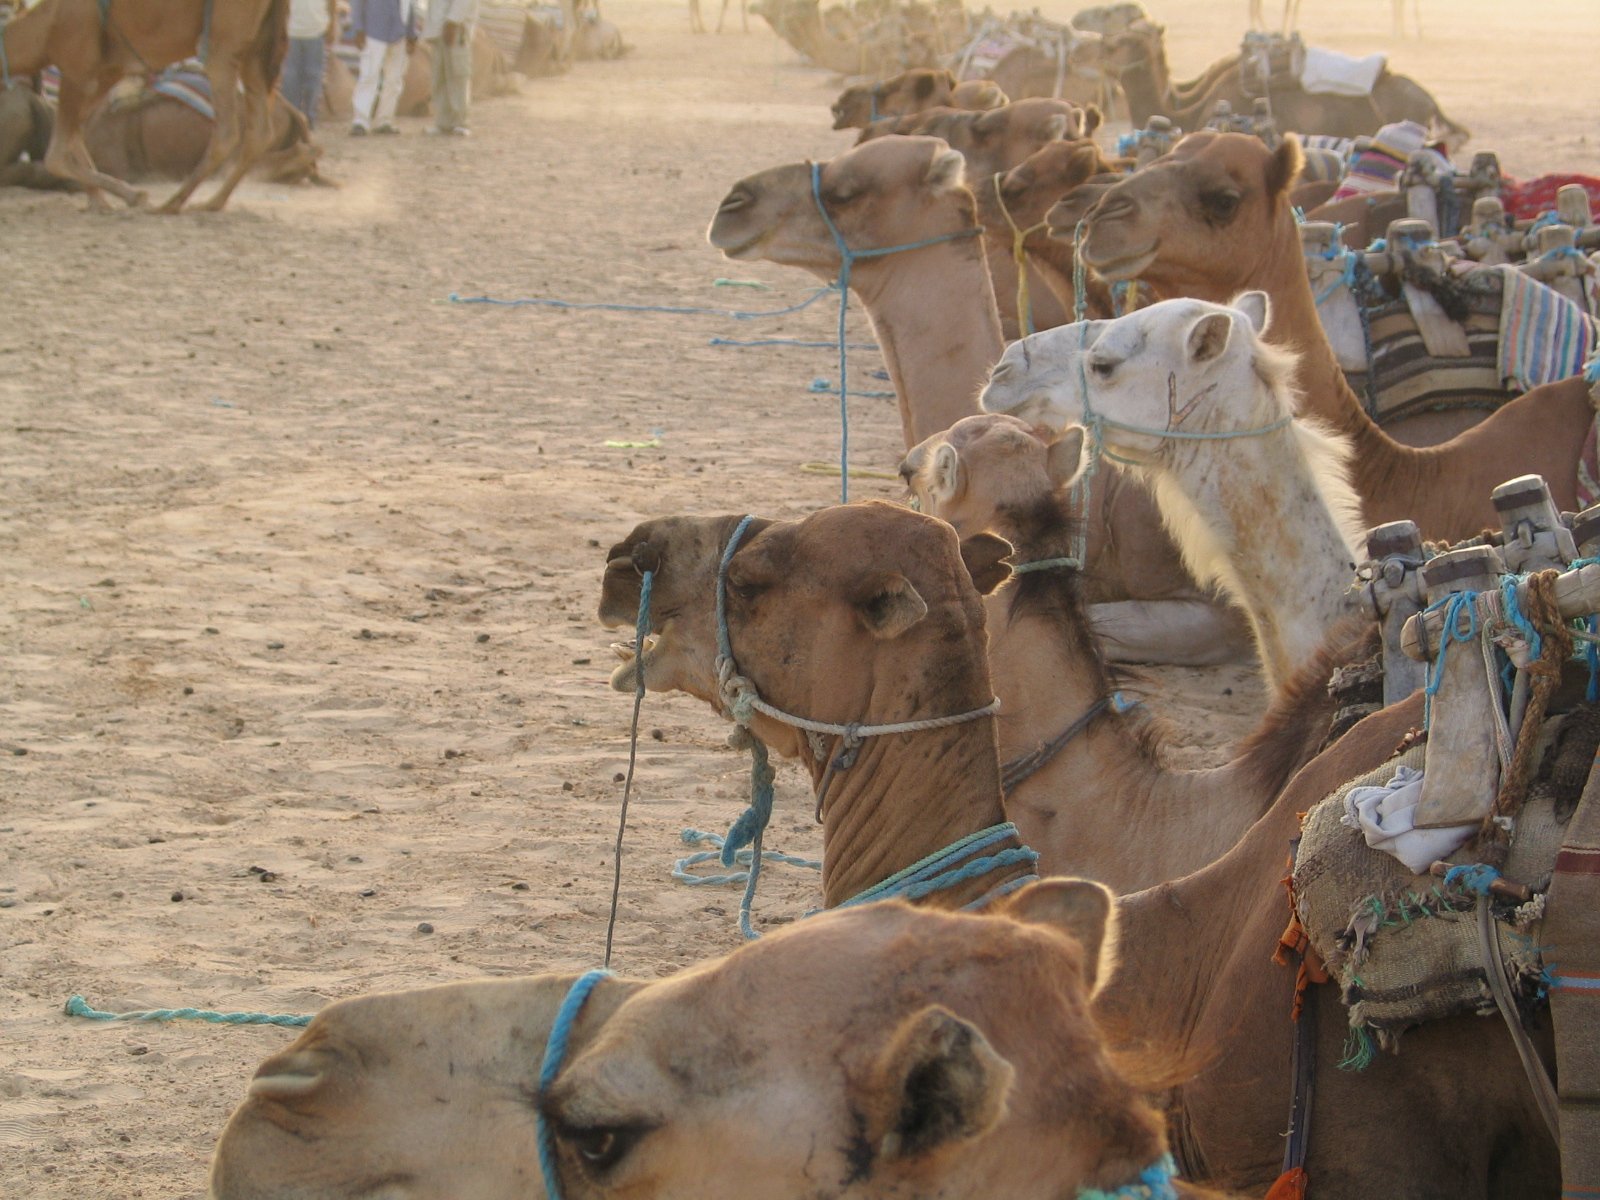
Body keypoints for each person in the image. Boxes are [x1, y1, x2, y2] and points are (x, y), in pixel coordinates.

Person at [349, 0, 418, 136]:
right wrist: (358, 28)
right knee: (368, 77)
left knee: (394, 80)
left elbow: (410, 5)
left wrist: (411, 33)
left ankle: (384, 121)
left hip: (399, 33)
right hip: (374, 31)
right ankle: (360, 122)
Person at [423, 0, 479, 137]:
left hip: (455, 29)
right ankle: (443, 122)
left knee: (458, 76)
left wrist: (453, 22)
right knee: (440, 78)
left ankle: (460, 123)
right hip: (438, 30)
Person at [281, 0, 336, 128]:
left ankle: (309, 118)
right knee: (290, 78)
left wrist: (332, 25)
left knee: (313, 77)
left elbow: (331, 3)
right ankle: (291, 117)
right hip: (292, 32)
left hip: (316, 31)